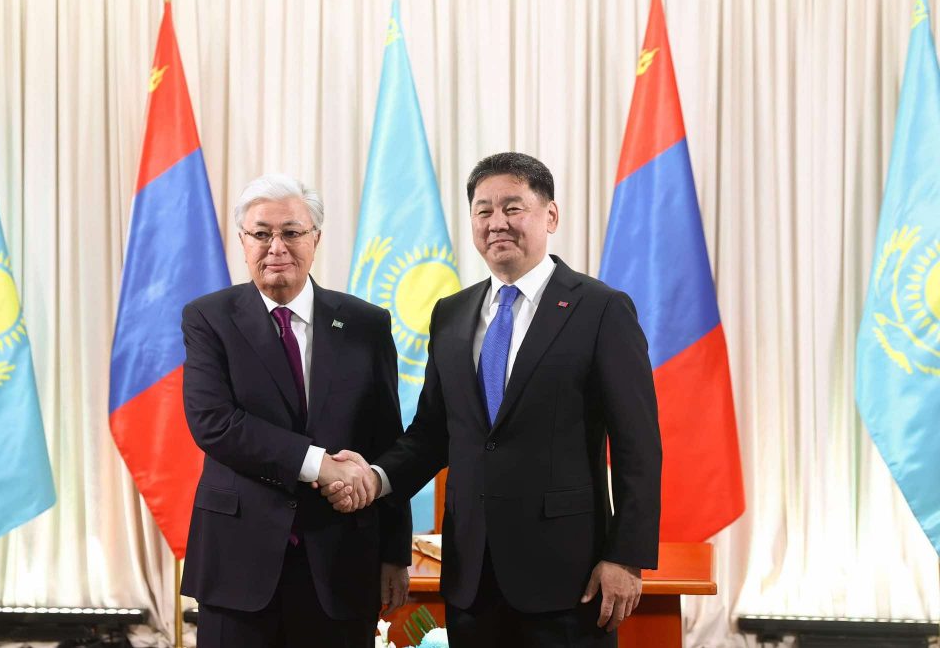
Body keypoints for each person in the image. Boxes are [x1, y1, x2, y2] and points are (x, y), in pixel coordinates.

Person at [323, 153, 662, 647]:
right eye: (483, 211)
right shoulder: (451, 314)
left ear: (550, 216)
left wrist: (626, 557)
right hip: (472, 579)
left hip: (568, 578)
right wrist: (375, 478)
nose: (496, 222)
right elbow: (433, 434)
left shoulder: (601, 309)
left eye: (512, 207)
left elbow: (638, 446)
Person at [179, 174, 411, 648]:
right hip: (238, 562)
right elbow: (214, 423)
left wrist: (395, 553)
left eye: (291, 232)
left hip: (342, 562)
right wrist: (319, 465)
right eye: (261, 233)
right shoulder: (208, 318)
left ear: (316, 238)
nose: (276, 247)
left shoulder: (366, 324)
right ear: (243, 241)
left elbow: (387, 440)